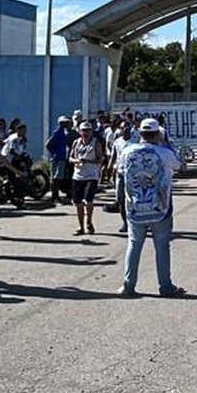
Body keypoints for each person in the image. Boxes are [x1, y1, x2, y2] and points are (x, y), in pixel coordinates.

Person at [116, 118, 185, 298]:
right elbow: (179, 165)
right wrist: (167, 142)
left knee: (134, 245)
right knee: (162, 246)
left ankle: (128, 285)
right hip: (160, 208)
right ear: (157, 134)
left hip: (135, 207)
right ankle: (165, 286)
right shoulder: (165, 152)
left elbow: (120, 171)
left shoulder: (127, 151)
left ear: (140, 133)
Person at [70, 121, 104, 235]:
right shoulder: (76, 143)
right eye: (83, 130)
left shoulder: (95, 143)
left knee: (89, 200)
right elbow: (70, 158)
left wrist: (89, 161)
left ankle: (89, 220)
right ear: (80, 132)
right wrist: (76, 160)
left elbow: (100, 159)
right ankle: (81, 227)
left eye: (88, 130)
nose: (86, 133)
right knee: (78, 203)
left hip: (91, 175)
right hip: (78, 175)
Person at [45, 116, 72, 204]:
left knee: (59, 178)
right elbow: (48, 144)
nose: (67, 124)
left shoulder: (63, 132)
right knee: (56, 179)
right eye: (65, 122)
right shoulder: (57, 132)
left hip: (62, 158)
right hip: (57, 159)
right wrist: (54, 153)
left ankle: (56, 196)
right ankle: (54, 197)